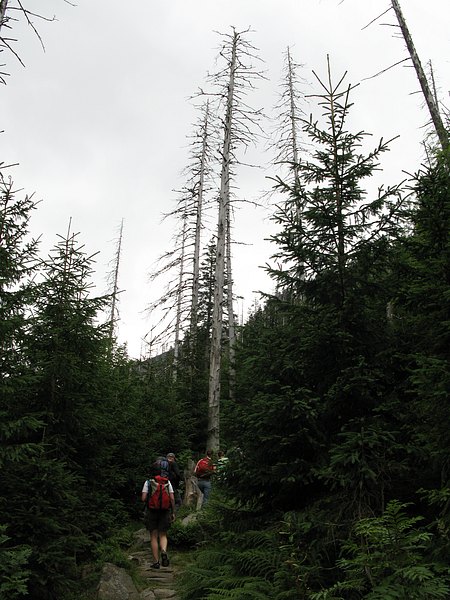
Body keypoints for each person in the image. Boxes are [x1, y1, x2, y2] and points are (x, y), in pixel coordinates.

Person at [141, 460, 176, 569]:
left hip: (152, 511)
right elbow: (172, 498)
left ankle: (156, 562)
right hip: (165, 511)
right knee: (163, 534)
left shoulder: (148, 482)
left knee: (153, 536)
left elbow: (143, 498)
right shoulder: (167, 482)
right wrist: (173, 512)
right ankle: (164, 551)